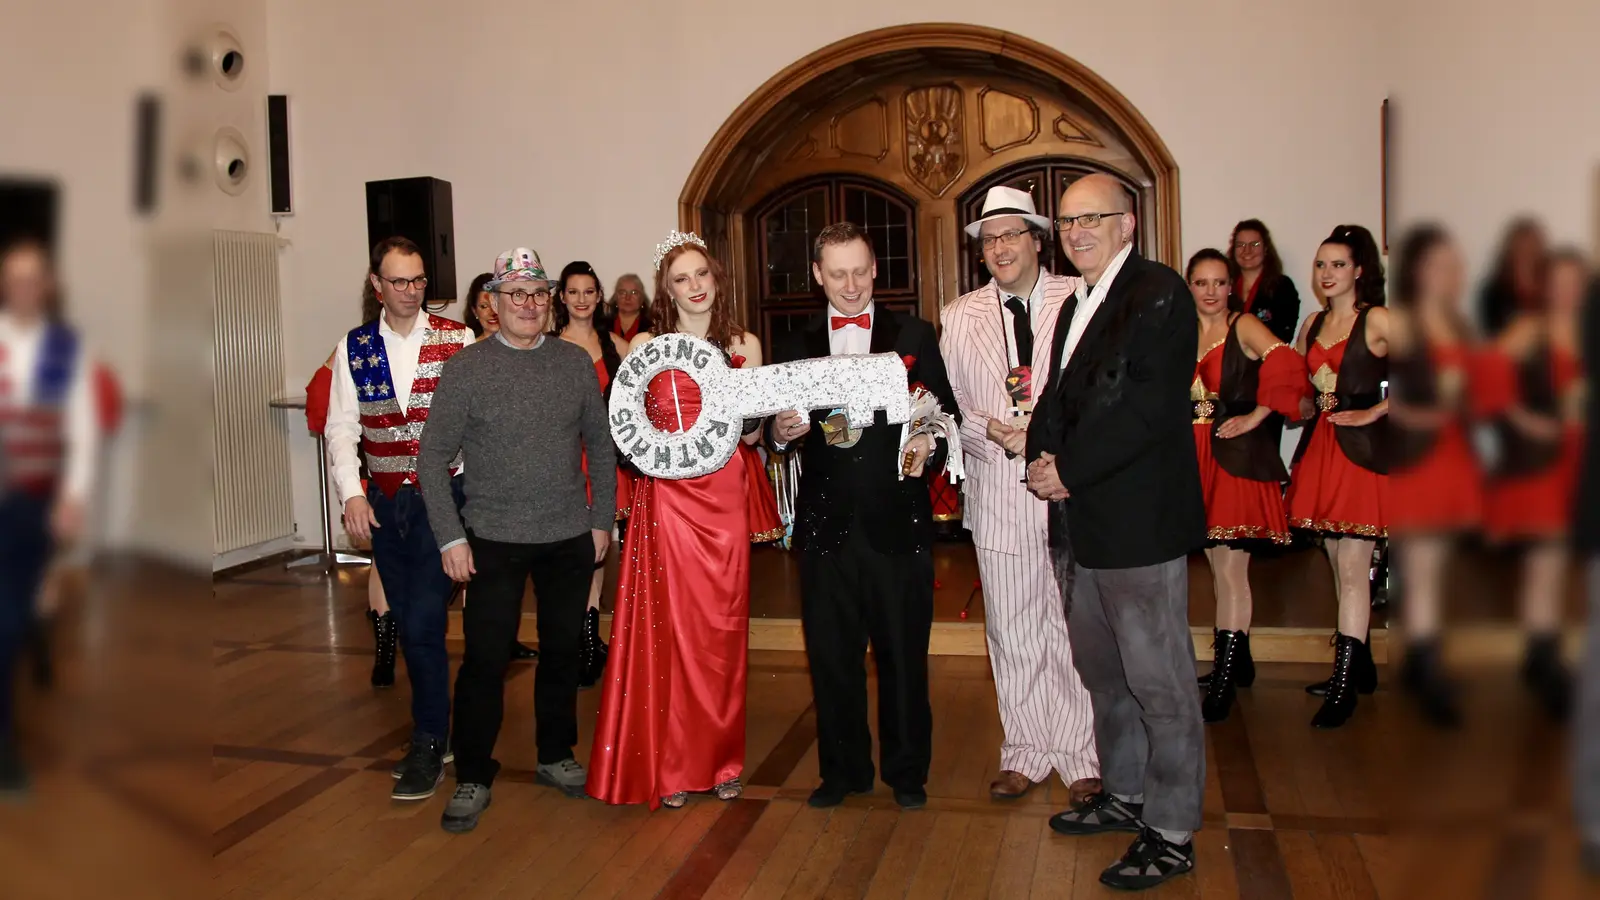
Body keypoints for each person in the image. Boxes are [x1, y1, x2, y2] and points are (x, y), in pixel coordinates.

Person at [1023, 173, 1206, 892]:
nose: (1078, 232)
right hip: (1081, 523)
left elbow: (1149, 412)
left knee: (1160, 685)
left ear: (1128, 223)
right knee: (1105, 677)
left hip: (1138, 524)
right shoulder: (1077, 303)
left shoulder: (1158, 294)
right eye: (1067, 222)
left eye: (1092, 218)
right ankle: (1126, 794)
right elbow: (1061, 396)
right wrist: (1041, 451)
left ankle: (1171, 829)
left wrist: (1067, 468)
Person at [417, 247, 615, 833]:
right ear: (493, 305)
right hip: (493, 539)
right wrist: (451, 538)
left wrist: (600, 519)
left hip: (567, 536)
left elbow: (601, 449)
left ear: (548, 301)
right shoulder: (467, 369)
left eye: (537, 294)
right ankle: (474, 771)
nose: (528, 305)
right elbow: (430, 460)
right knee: (484, 661)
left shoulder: (574, 363)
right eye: (515, 295)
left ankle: (556, 755)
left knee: (562, 654)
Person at [767, 221, 958, 812]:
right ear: (818, 275)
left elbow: (944, 415)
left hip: (898, 523)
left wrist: (930, 447)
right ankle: (841, 771)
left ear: (876, 269)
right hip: (824, 528)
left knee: (904, 657)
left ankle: (907, 773)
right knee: (830, 658)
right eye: (837, 273)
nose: (850, 285)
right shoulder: (796, 344)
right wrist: (780, 431)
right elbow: (774, 436)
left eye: (860, 271)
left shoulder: (915, 333)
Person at [587, 231, 763, 809]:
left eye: (702, 275)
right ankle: (676, 763)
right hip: (667, 502)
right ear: (667, 290)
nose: (694, 287)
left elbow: (755, 433)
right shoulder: (646, 351)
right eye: (681, 279)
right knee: (674, 632)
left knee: (722, 632)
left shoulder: (746, 345)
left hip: (724, 499)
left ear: (716, 278)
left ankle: (722, 761)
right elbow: (626, 432)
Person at [938, 185, 1099, 803]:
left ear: (1038, 239)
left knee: (1072, 626)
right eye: (989, 239)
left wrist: (1050, 435)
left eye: (1012, 234)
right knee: (1011, 629)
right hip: (999, 490)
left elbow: (1093, 392)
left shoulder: (1078, 297)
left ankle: (1082, 754)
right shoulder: (959, 316)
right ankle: (1026, 750)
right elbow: (950, 407)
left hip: (1069, 488)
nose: (1000, 248)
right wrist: (993, 433)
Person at [325, 236, 471, 801]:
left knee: (424, 622)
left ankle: (430, 740)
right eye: (399, 281)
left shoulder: (458, 340)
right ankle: (438, 729)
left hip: (445, 501)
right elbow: (342, 428)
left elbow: (478, 427)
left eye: (418, 281)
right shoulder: (354, 347)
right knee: (411, 623)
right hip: (387, 506)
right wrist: (352, 494)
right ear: (376, 284)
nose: (411, 292)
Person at [1186, 248, 1305, 723]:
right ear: (1189, 285)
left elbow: (1288, 365)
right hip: (1195, 454)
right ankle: (1239, 661)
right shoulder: (1183, 330)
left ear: (1231, 285)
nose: (1211, 291)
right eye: (1201, 282)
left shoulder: (1245, 326)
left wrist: (1257, 415)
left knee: (1232, 570)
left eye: (1219, 282)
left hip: (1233, 458)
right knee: (1217, 566)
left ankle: (1225, 676)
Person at [0, 237, 99, 794]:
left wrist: (73, 495)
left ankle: (4, 743)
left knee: (7, 620)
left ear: (47, 285)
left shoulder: (66, 349)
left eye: (32, 278)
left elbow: (80, 427)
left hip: (33, 506)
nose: (23, 289)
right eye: (13, 278)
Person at [1285, 225, 1391, 729]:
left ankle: (1345, 684)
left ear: (1359, 272)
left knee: (1352, 569)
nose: (1326, 274)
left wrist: (1375, 412)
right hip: (1322, 447)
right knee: (1336, 562)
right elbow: (1303, 391)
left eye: (1337, 265)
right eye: (1321, 265)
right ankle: (1361, 667)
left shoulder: (1377, 320)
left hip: (1358, 454)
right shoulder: (1313, 323)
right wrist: (1299, 404)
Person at [1478, 249, 1588, 721]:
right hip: (1545, 463)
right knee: (1547, 560)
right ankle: (1543, 658)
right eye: (1558, 280)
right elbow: (1485, 380)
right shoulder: (1529, 330)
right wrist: (1524, 421)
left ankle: (1549, 655)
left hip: (1586, 459)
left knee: (1572, 568)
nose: (1567, 289)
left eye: (1575, 281)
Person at [1385, 225, 1481, 728]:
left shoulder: (1458, 324)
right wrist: (1430, 416)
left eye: (1455, 265)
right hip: (1419, 462)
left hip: (1453, 458)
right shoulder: (1404, 323)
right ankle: (1426, 672)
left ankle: (1425, 660)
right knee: (1420, 570)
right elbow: (1389, 399)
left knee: (1436, 570)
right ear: (1421, 269)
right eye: (1443, 264)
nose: (1453, 273)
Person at [553, 260, 631, 688]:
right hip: (564, 463)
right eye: (573, 292)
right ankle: (581, 638)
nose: (581, 299)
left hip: (604, 463)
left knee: (596, 550)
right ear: (562, 298)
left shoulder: (619, 345)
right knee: (573, 556)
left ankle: (588, 639)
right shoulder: (549, 346)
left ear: (598, 296)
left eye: (589, 291)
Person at [1228, 219, 1302, 343]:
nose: (1247, 251)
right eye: (1240, 245)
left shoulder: (1282, 287)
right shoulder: (1225, 287)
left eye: (1254, 245)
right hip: (1228, 361)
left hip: (1266, 359)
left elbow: (1283, 336)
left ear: (1266, 248)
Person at [609, 272, 651, 342]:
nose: (628, 298)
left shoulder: (653, 327)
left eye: (634, 292)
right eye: (622, 292)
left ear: (642, 298)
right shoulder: (602, 325)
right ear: (615, 297)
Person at [462, 272, 498, 339]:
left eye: (496, 304)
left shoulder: (521, 344)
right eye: (484, 306)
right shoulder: (466, 346)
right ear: (474, 311)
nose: (492, 312)